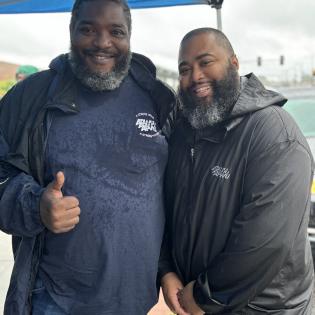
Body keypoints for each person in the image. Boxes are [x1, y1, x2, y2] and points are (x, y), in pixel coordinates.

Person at [0, 0, 176, 314]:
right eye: (88, 30)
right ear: (71, 31)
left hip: (135, 302)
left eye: (116, 32)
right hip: (54, 301)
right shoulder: (31, 97)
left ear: (129, 38)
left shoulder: (158, 98)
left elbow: (172, 195)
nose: (102, 42)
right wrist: (34, 205)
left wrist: (167, 269)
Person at [159, 27, 314, 315]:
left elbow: (267, 242)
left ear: (234, 63)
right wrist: (166, 271)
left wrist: (207, 296)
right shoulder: (182, 133)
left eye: (205, 62)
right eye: (185, 69)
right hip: (193, 301)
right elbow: (167, 210)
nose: (195, 76)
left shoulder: (275, 134)